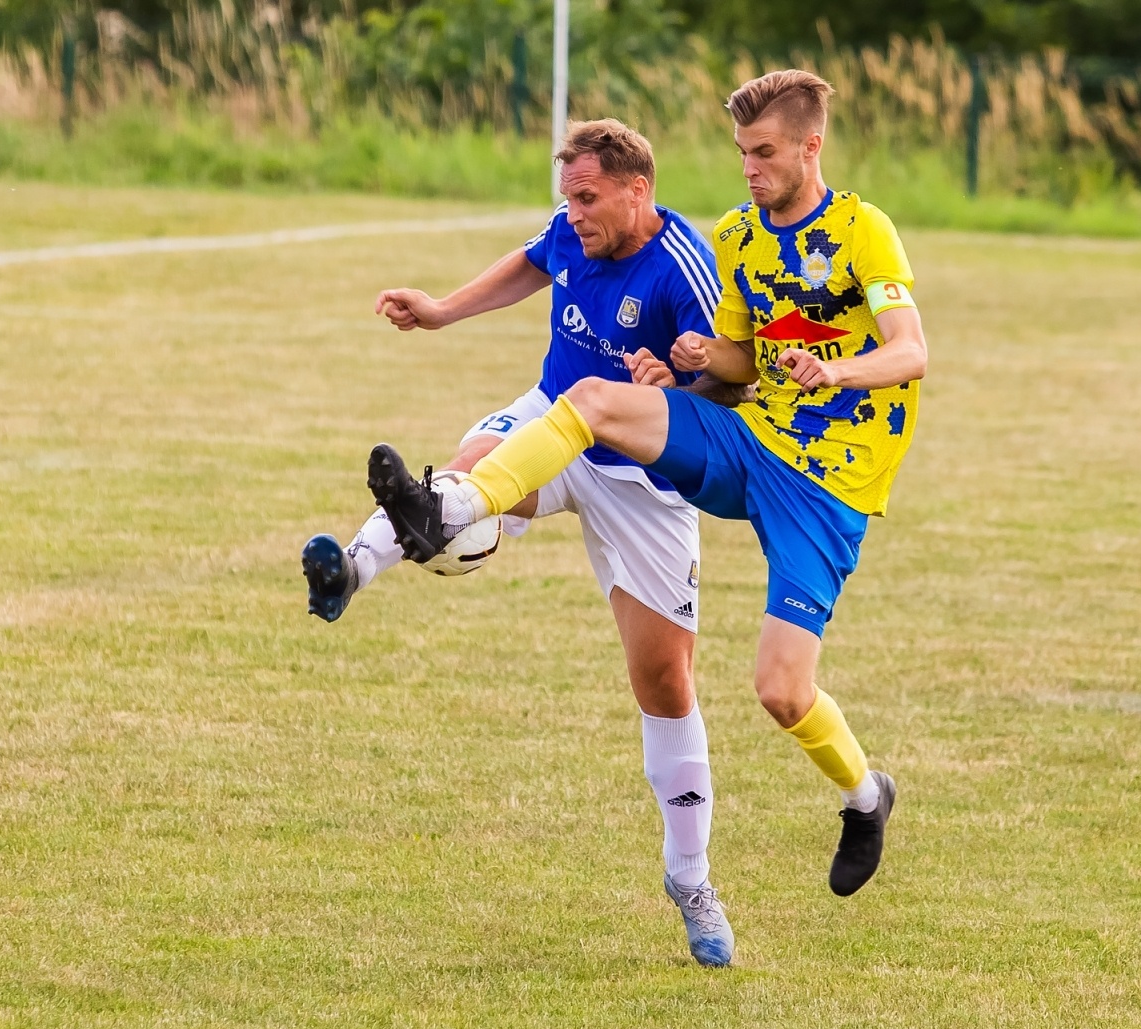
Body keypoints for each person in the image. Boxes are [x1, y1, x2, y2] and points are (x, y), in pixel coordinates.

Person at [369, 69, 929, 900]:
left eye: (765, 151)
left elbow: (910, 350)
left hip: (831, 483)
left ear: (812, 147)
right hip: (750, 438)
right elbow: (738, 366)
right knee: (592, 401)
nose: (749, 167)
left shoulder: (862, 231)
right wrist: (694, 362)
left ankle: (863, 794)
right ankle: (451, 501)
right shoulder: (738, 235)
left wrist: (835, 369)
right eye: (742, 152)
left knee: (780, 690)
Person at [301, 118, 736, 966]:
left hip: (644, 477)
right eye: (565, 198)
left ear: (636, 190)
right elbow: (530, 263)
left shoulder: (683, 263)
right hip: (551, 421)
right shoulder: (572, 231)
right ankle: (355, 566)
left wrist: (681, 378)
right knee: (471, 466)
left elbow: (727, 379)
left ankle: (690, 876)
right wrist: (442, 311)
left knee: (665, 679)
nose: (571, 214)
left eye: (587, 197)